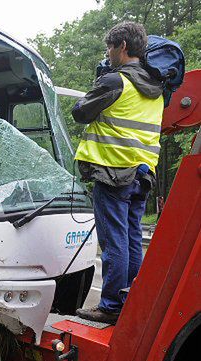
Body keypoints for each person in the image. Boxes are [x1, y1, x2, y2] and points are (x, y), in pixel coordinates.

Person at [72, 22, 164, 323]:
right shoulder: (156, 90)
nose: (108, 54)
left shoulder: (116, 81)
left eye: (110, 48)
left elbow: (80, 112)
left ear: (122, 47)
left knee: (114, 242)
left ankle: (110, 306)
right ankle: (130, 301)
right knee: (132, 238)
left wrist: (92, 90)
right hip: (142, 173)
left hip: (114, 172)